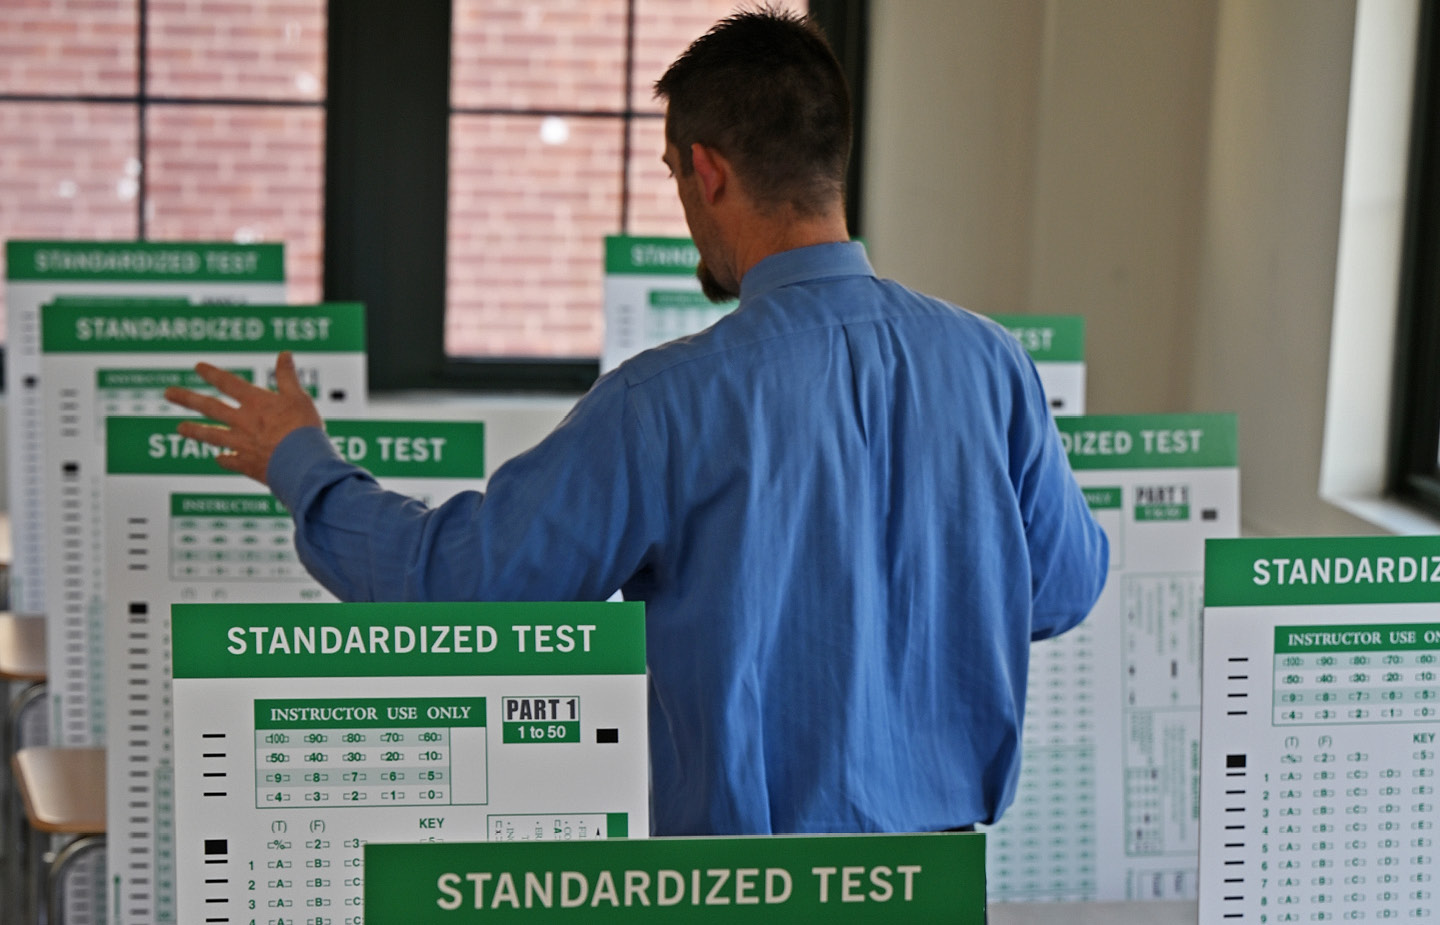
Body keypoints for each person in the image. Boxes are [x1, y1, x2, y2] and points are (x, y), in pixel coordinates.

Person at [166, 8, 1107, 837]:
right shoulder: (993, 364)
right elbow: (1063, 587)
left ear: (707, 173)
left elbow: (462, 585)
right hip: (943, 888)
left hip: (746, 900)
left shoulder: (669, 402)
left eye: (671, 171)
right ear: (832, 160)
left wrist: (301, 464)